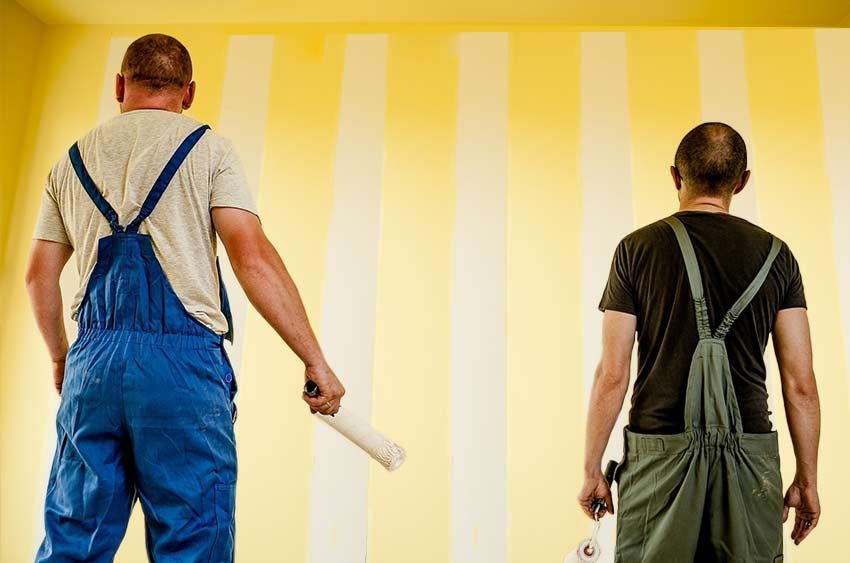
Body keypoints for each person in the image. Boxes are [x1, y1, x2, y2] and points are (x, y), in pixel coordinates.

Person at [25, 33, 345, 561]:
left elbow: (39, 276)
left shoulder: (72, 161)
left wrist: (63, 358)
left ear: (120, 85)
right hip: (180, 368)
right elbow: (252, 257)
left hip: (92, 369)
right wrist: (315, 361)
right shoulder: (208, 150)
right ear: (188, 93)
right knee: (193, 541)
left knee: (73, 541)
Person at [578, 123, 822, 562]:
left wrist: (592, 468)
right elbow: (800, 383)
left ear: (676, 176)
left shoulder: (637, 249)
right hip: (750, 456)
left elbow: (612, 374)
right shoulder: (778, 256)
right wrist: (807, 479)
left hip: (658, 454)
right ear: (742, 181)